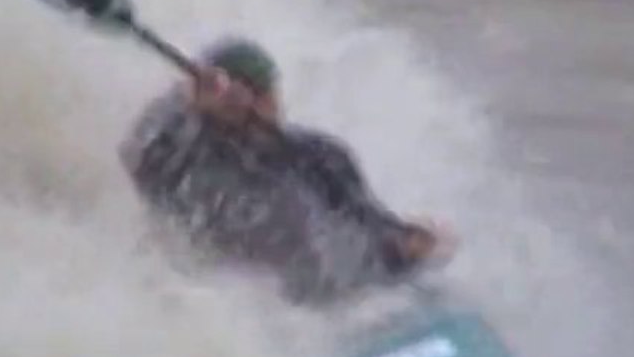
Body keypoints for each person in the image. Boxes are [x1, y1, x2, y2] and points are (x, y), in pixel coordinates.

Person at [118, 37, 456, 305]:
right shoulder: (185, 158)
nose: (263, 104)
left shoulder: (319, 155)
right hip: (251, 316)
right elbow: (139, 157)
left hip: (333, 308)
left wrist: (406, 244)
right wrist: (184, 100)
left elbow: (368, 223)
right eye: (242, 94)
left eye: (263, 92)